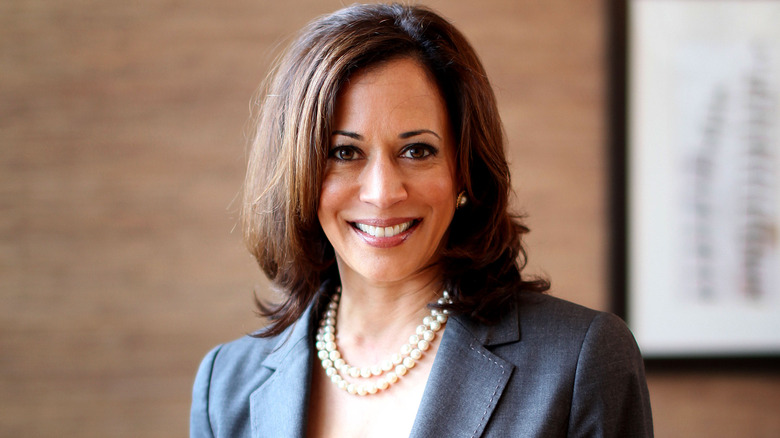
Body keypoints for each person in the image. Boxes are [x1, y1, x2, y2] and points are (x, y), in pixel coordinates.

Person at [190, 3, 653, 437]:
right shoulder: (226, 384)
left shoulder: (579, 361)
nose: (383, 192)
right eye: (344, 153)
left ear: (464, 171)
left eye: (417, 150)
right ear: (300, 174)